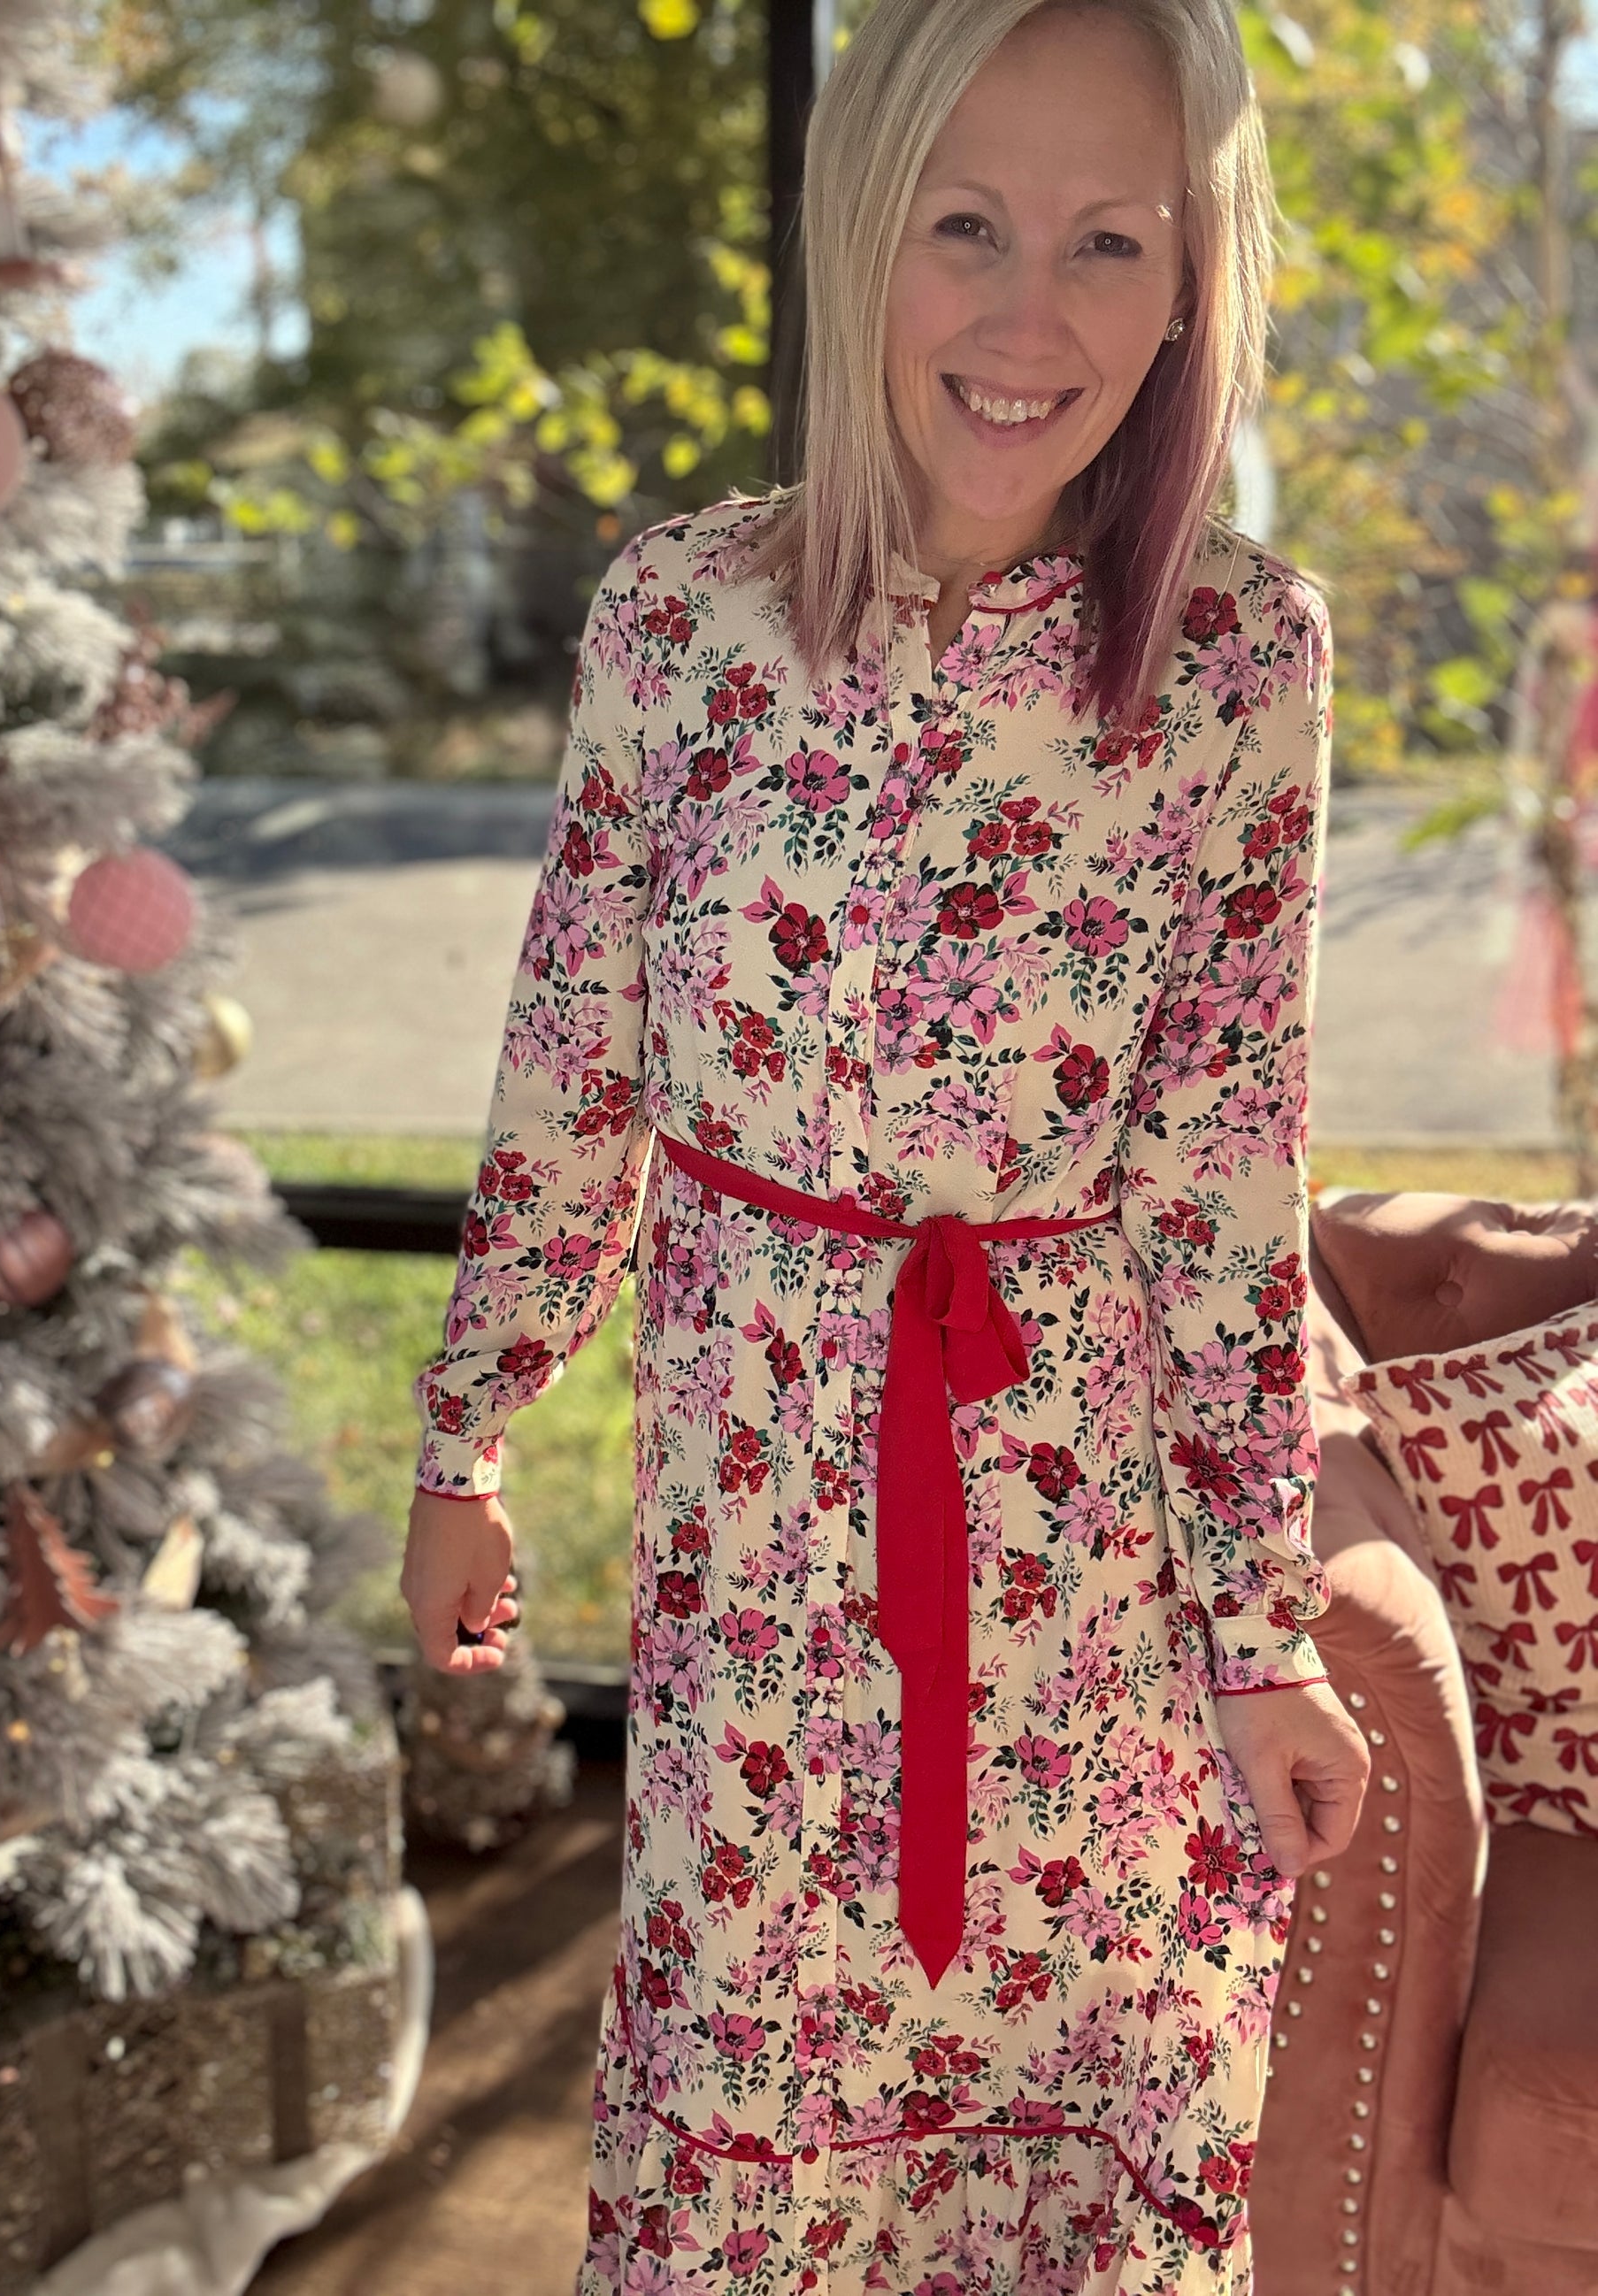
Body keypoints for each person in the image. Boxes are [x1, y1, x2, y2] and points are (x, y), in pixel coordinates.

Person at [403, 0, 1371, 2284]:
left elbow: (1227, 1182)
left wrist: (1261, 1632)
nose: (1028, 318)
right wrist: (469, 1431)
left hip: (1086, 1578)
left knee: (1062, 2162)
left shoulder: (1241, 658)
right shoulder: (679, 620)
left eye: (1109, 240)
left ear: (1192, 282)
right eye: (965, 226)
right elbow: (574, 1065)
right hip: (754, 1539)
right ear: (860, 233)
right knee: (757, 2147)